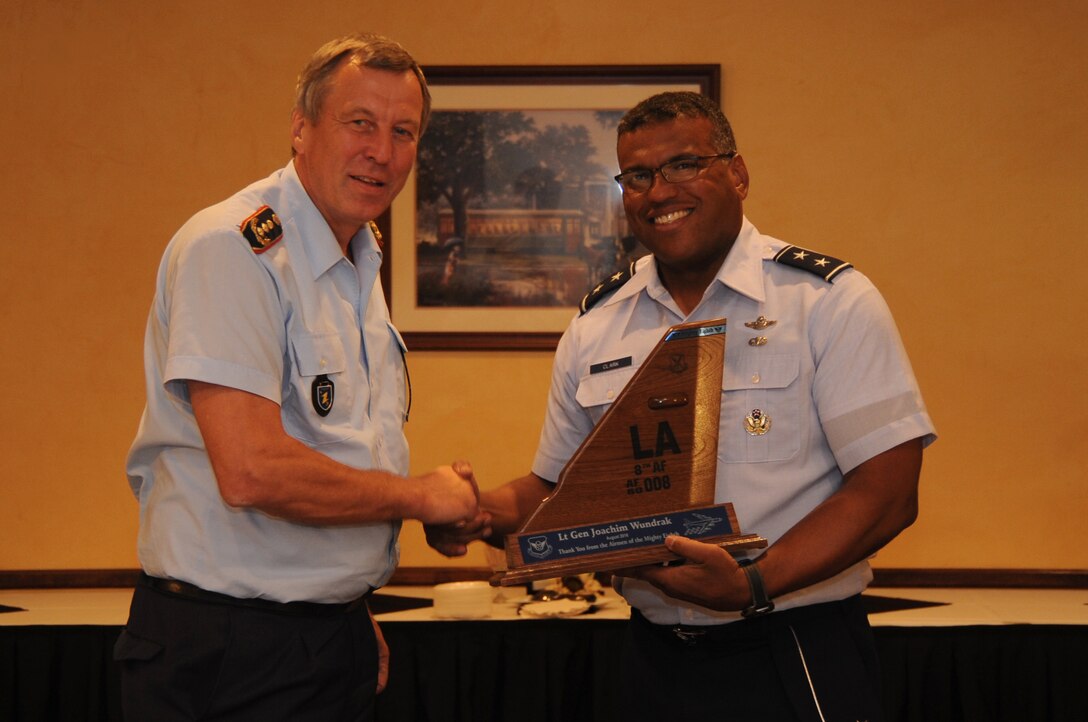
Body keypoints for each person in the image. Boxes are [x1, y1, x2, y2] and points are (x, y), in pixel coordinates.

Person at [427, 91, 936, 721]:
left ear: (738, 173)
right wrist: (478, 511)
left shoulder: (828, 302)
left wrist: (754, 582)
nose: (659, 190)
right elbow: (560, 490)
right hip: (654, 658)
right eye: (638, 176)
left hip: (795, 645)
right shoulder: (597, 325)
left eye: (684, 165)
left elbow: (887, 492)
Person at [116, 33, 482, 722]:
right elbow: (252, 470)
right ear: (301, 128)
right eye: (360, 123)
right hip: (232, 653)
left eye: (403, 131)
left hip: (320, 637)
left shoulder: (356, 262)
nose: (382, 151)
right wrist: (420, 498)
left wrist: (340, 603)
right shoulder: (237, 248)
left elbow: (334, 447)